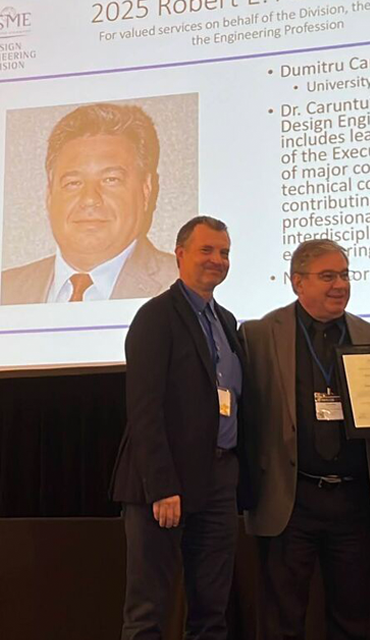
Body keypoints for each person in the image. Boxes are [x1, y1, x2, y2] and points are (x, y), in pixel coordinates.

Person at [239, 239, 370, 640]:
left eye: (344, 275)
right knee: (281, 620)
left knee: (355, 619)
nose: (340, 284)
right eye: (327, 276)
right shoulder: (258, 335)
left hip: (356, 502)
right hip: (291, 500)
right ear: (297, 283)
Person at [110, 216, 245, 640]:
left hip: (219, 479)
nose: (217, 260)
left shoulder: (226, 322)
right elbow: (144, 409)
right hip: (165, 485)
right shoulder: (155, 317)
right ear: (180, 254)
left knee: (211, 611)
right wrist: (163, 486)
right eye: (207, 250)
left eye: (224, 252)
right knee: (148, 612)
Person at [1, 102, 176, 305]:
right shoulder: (4, 290)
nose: (90, 199)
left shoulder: (187, 286)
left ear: (146, 191)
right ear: (49, 195)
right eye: (73, 183)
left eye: (110, 180)